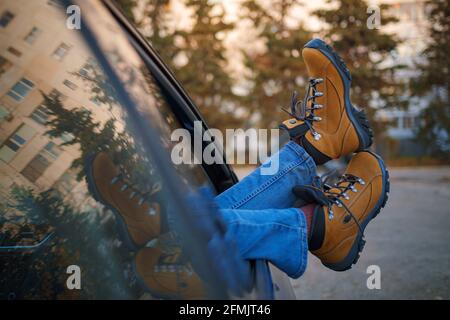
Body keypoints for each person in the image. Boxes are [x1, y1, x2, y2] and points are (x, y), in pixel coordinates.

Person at [85, 39, 390, 299]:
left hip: (163, 267)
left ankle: (156, 218)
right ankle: (318, 221)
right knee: (192, 233)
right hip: (186, 270)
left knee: (192, 222)